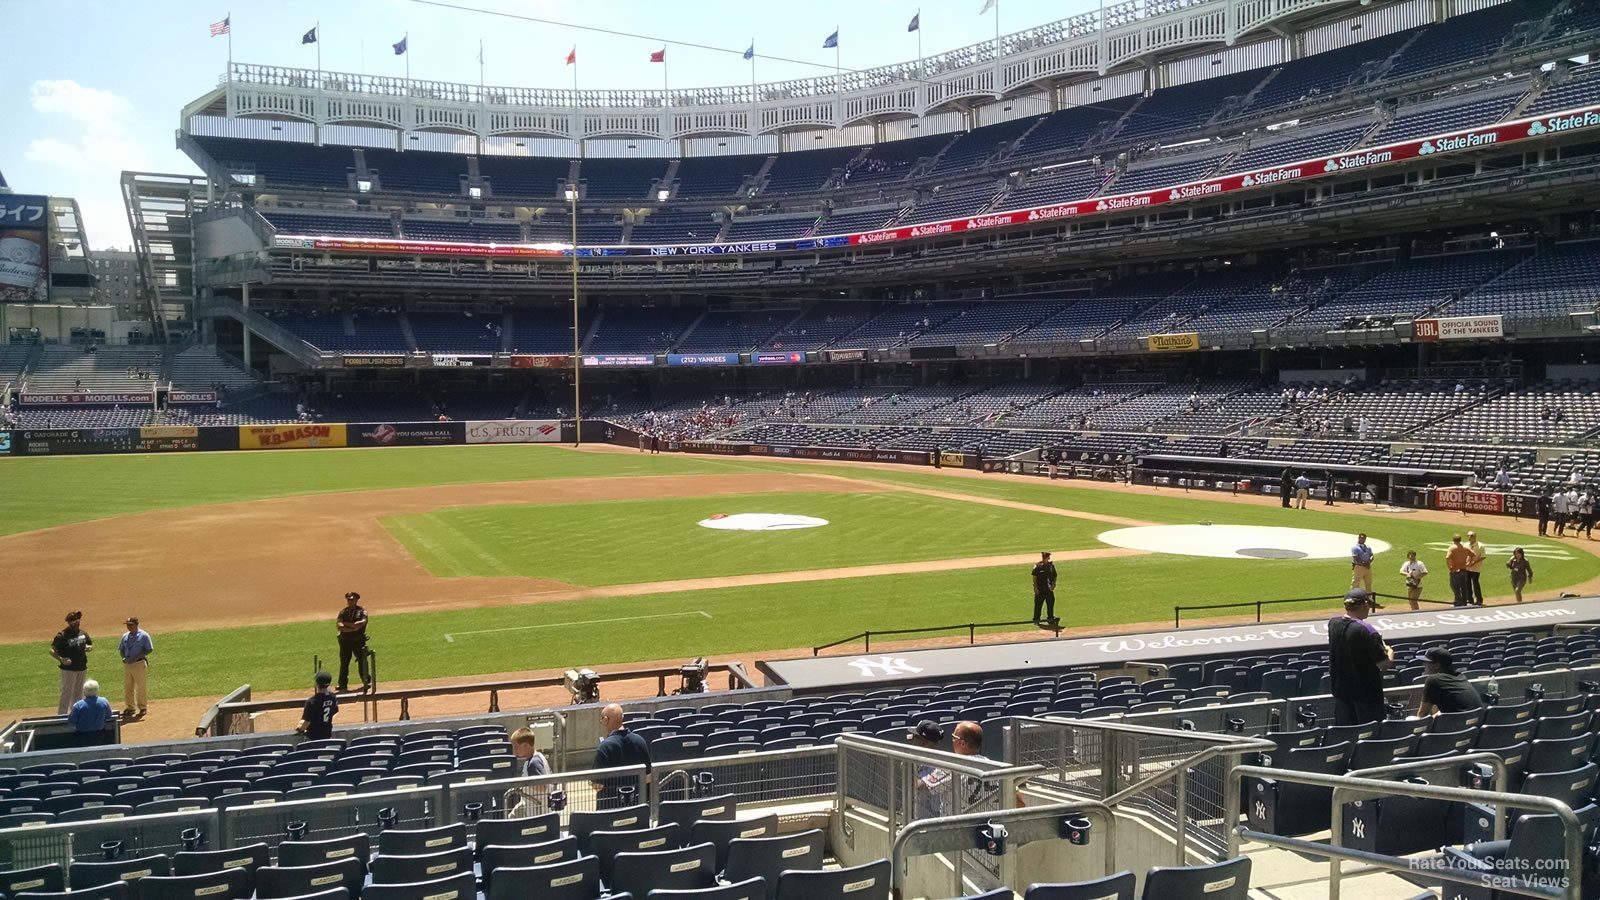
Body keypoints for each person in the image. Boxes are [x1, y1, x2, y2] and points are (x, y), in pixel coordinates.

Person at [1328, 591, 1394, 725]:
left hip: (1342, 692)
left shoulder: (1333, 623)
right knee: (1370, 736)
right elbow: (1384, 664)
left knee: (1347, 735)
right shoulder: (1367, 630)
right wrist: (1390, 651)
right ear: (1364, 605)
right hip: (1366, 695)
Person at [593, 703, 652, 809]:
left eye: (602, 719)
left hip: (609, 808)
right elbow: (648, 777)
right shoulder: (640, 741)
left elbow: (597, 785)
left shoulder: (604, 747)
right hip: (637, 806)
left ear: (606, 719)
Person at [1415, 647, 1483, 717]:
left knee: (1410, 718)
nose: (1424, 664)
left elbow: (1422, 715)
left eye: (1426, 662)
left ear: (1437, 666)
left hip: (1458, 724)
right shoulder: (1460, 676)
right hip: (1475, 722)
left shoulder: (1433, 680)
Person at [49, 611, 93, 715]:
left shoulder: (83, 633)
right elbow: (51, 650)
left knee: (79, 694)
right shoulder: (62, 635)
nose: (74, 623)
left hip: (82, 667)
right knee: (66, 693)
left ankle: (78, 714)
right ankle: (62, 716)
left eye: (75, 620)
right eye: (71, 621)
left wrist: (88, 648)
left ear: (79, 620)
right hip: (68, 670)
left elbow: (89, 645)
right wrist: (61, 659)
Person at [907, 720, 951, 818]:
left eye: (915, 737)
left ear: (923, 742)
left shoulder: (937, 768)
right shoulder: (926, 760)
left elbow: (916, 786)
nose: (911, 740)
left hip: (929, 820)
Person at [118, 616, 153, 719]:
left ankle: (142, 707)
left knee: (141, 687)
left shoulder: (144, 635)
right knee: (128, 687)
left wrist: (137, 657)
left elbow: (149, 649)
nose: (129, 627)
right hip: (128, 665)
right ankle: (130, 707)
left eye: (131, 625)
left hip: (139, 664)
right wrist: (123, 657)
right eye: (128, 625)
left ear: (137, 625)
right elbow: (121, 649)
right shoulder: (125, 636)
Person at [335, 591, 370, 693]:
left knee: (362, 661)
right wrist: (353, 628)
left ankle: (366, 680)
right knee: (344, 662)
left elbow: (361, 623)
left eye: (352, 600)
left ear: (356, 600)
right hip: (345, 641)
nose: (350, 602)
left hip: (358, 641)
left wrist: (347, 625)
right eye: (348, 600)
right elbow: (339, 626)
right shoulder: (343, 612)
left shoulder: (362, 611)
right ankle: (342, 684)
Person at [67, 680, 114, 746]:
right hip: (99, 735)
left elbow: (72, 720)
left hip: (82, 737)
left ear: (84, 691)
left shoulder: (78, 705)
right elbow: (109, 715)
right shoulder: (104, 701)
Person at [296, 671, 339, 740]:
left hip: (313, 738)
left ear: (316, 683)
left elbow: (307, 722)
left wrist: (300, 728)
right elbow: (334, 710)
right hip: (327, 735)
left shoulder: (311, 702)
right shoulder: (333, 698)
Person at [1445, 535, 1473, 607]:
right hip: (1463, 570)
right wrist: (1468, 563)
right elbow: (1473, 555)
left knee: (1455, 587)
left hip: (1455, 570)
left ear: (1453, 540)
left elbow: (1447, 557)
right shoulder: (1465, 548)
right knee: (1464, 587)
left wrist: (1450, 567)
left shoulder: (1452, 548)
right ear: (1460, 540)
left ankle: (1458, 601)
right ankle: (1464, 601)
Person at [1031, 552, 1058, 627]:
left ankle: (1050, 619)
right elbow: (1034, 578)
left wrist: (1054, 584)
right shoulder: (1038, 566)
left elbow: (1055, 576)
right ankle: (1036, 619)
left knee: (1050, 604)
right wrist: (1035, 588)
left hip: (1048, 589)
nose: (1047, 559)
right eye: (1046, 557)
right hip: (1040, 589)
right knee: (1038, 605)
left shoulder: (1051, 566)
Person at [1464, 531, 1487, 606]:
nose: (1469, 537)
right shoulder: (1465, 545)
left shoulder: (1480, 546)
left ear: (1474, 537)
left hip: (1476, 568)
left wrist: (1474, 562)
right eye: (1468, 536)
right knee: (1467, 584)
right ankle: (1469, 599)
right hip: (1467, 568)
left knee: (1475, 583)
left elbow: (1483, 556)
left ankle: (1479, 599)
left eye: (1471, 536)